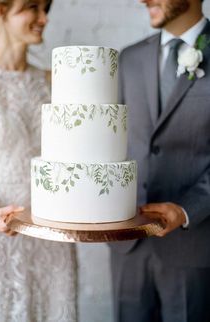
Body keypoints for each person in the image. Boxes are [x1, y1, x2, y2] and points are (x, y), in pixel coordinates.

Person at [0, 0, 77, 321]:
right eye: (32, 7)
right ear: (2, 11)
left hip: (53, 234)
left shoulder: (53, 81)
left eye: (46, 9)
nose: (43, 18)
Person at [110, 0, 210, 321]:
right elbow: (113, 146)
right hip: (127, 242)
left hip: (194, 243)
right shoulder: (128, 59)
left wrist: (185, 210)